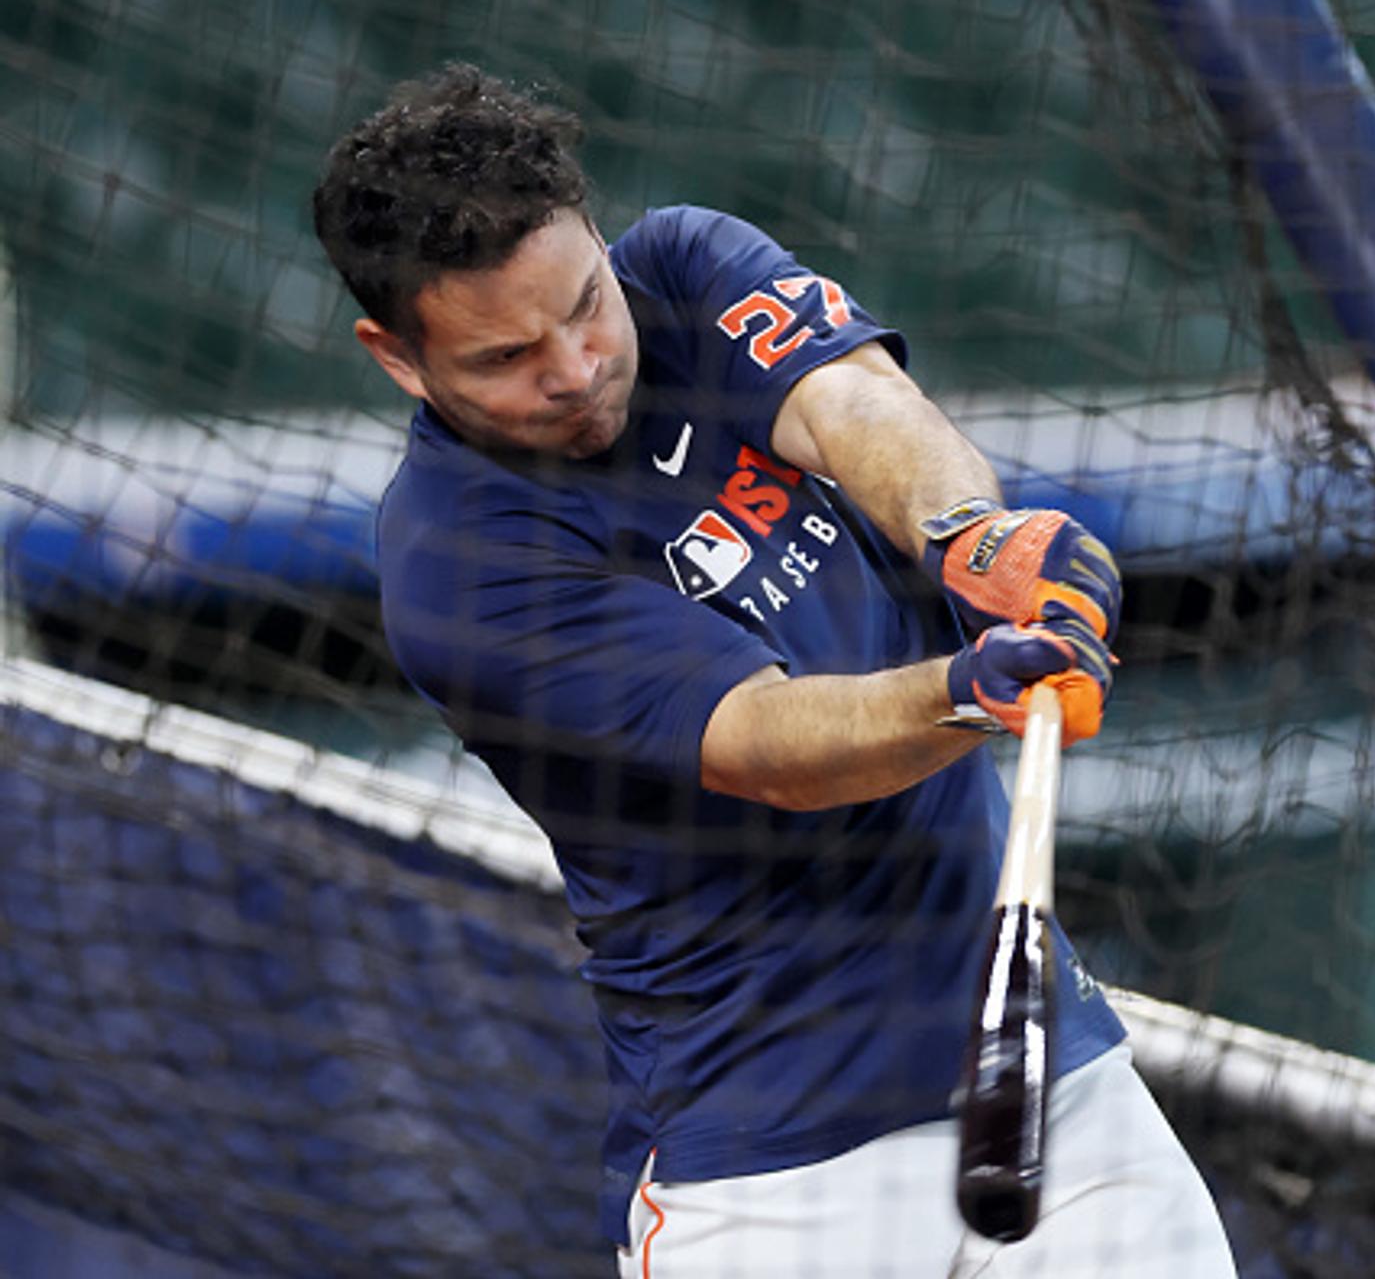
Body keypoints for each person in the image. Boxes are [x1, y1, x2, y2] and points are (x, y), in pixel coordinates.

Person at [310, 65, 1235, 1277]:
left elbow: (853, 402)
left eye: (584, 304)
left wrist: (972, 538)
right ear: (399, 357)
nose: (577, 366)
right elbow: (766, 743)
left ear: (595, 232)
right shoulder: (455, 562)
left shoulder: (687, 270)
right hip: (768, 1167)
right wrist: (968, 687)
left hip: (1041, 1072)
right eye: (506, 356)